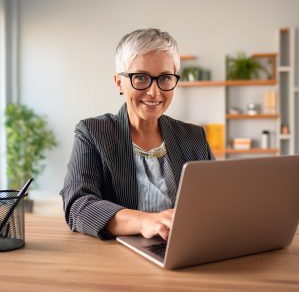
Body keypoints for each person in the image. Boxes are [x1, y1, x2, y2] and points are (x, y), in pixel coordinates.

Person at [60, 28, 214, 241]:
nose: (154, 92)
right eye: (140, 77)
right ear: (119, 82)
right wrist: (143, 221)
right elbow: (78, 206)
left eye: (165, 78)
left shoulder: (194, 137)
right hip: (118, 259)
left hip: (183, 249)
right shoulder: (93, 133)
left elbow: (216, 201)